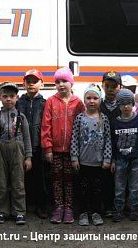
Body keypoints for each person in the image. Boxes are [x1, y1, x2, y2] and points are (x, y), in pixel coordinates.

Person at [40, 67, 86, 224]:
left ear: (71, 83)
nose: (61, 84)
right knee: (57, 179)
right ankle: (59, 207)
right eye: (57, 82)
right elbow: (46, 126)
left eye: (64, 81)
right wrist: (47, 147)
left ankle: (69, 208)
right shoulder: (51, 101)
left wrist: (79, 149)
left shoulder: (78, 102)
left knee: (70, 179)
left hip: (72, 151)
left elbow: (82, 127)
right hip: (55, 151)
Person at [0, 82, 32, 225]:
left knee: (18, 182)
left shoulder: (21, 117)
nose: (8, 99)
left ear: (17, 98)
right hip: (0, 150)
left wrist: (28, 157)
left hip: (18, 150)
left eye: (12, 96)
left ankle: (19, 212)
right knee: (1, 182)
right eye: (5, 96)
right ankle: (1, 211)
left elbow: (27, 138)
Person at [70, 84, 112, 226]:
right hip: (83, 162)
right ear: (84, 100)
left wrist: (107, 159)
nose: (92, 101)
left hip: (98, 163)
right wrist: (74, 157)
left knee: (97, 189)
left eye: (95, 98)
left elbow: (107, 140)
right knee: (83, 189)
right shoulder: (79, 118)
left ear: (100, 100)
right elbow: (74, 138)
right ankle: (83, 212)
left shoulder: (104, 119)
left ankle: (95, 212)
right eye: (88, 98)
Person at [110, 88, 138, 222]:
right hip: (120, 160)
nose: (126, 106)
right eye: (122, 103)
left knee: (134, 187)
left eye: (128, 103)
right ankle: (118, 210)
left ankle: (133, 209)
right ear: (118, 105)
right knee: (119, 187)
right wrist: (113, 160)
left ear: (133, 104)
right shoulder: (115, 122)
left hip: (136, 159)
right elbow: (112, 142)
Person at [15, 69, 48, 219]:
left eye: (35, 81)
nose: (31, 84)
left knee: (40, 179)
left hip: (38, 146)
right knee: (22, 178)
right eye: (28, 81)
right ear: (24, 83)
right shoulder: (18, 102)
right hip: (21, 147)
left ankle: (41, 206)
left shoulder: (45, 103)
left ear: (42, 84)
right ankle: (24, 205)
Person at [99, 71, 122, 217]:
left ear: (120, 87)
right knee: (105, 179)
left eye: (114, 86)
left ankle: (120, 204)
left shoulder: (124, 106)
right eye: (107, 86)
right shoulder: (98, 105)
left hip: (121, 147)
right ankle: (106, 205)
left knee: (120, 178)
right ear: (102, 86)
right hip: (102, 150)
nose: (110, 89)